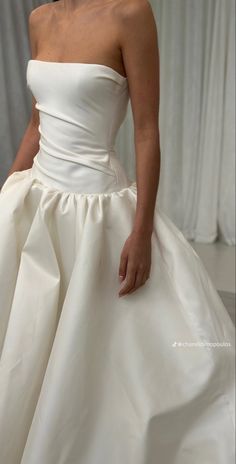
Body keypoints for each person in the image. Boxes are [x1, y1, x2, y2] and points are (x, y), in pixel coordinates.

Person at [0, 1, 235, 463]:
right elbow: (36, 122)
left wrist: (142, 230)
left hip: (96, 212)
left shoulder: (130, 13)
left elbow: (147, 131)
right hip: (38, 198)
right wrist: (8, 190)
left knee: (96, 349)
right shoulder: (40, 18)